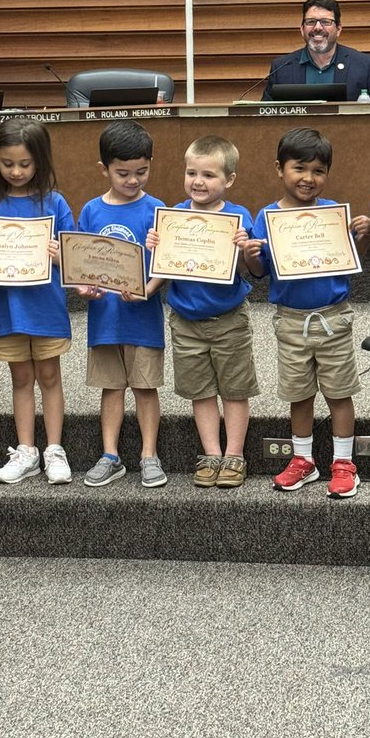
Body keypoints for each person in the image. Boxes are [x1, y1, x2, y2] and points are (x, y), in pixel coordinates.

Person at [243, 128, 370, 499]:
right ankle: (304, 460)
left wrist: (365, 235)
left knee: (339, 392)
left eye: (318, 170)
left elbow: (351, 265)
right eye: (299, 168)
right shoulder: (267, 216)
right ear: (279, 169)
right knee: (298, 394)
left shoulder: (333, 216)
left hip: (333, 317)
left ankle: (344, 463)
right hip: (290, 321)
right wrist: (251, 255)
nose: (308, 178)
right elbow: (258, 273)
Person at [0, 118, 74, 485]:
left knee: (49, 375)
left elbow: (74, 260)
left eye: (25, 164)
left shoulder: (54, 202)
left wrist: (59, 256)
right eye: (8, 164)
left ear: (40, 161)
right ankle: (26, 450)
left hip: (45, 307)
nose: (17, 171)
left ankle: (54, 448)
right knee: (21, 377)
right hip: (8, 309)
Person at [145, 136, 258, 489]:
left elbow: (246, 270)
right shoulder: (173, 218)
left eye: (209, 175)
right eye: (191, 172)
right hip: (185, 321)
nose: (198, 181)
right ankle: (211, 454)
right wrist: (154, 256)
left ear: (229, 180)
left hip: (229, 319)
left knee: (235, 389)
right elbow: (162, 269)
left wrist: (244, 249)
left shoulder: (239, 217)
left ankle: (235, 454)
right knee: (201, 390)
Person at [77, 120, 167, 488]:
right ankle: (110, 455)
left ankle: (149, 454)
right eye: (123, 173)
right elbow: (80, 265)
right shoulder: (91, 211)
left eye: (141, 172)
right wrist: (83, 289)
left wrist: (149, 287)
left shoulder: (158, 209)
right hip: (105, 317)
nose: (133, 180)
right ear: (104, 169)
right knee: (111, 387)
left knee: (145, 387)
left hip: (143, 315)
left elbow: (167, 264)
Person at [261, 0, 370, 101]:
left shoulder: (365, 66)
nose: (317, 27)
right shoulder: (281, 68)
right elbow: (264, 118)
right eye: (311, 22)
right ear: (302, 29)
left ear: (338, 29)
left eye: (325, 21)